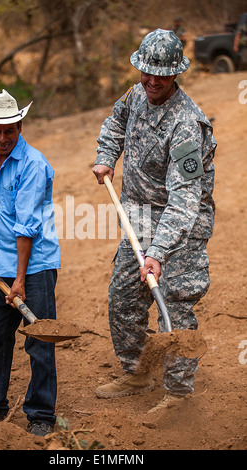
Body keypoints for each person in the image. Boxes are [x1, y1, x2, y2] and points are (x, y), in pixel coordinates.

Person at [92, 29, 216, 412]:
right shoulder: (136, 94)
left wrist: (159, 253)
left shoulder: (186, 125)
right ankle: (138, 371)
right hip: (138, 218)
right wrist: (106, 155)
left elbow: (185, 199)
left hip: (181, 227)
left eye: (160, 76)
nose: (151, 81)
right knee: (123, 297)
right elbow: (115, 124)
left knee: (174, 305)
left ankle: (179, 394)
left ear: (175, 74)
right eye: (146, 72)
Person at [0, 89, 61, 435]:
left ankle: (41, 414)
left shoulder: (33, 164)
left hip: (33, 268)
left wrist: (20, 281)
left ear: (20, 127)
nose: (2, 138)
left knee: (39, 340)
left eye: (10, 131)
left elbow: (27, 226)